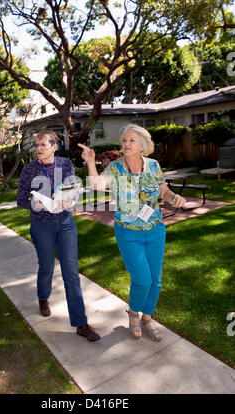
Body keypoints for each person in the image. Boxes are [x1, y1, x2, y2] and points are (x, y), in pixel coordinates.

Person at [78, 124, 186, 341]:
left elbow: (163, 191)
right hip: (128, 233)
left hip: (155, 229)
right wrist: (91, 162)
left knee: (156, 280)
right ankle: (134, 312)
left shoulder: (154, 166)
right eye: (124, 140)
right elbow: (98, 184)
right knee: (142, 279)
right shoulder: (116, 168)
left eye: (131, 140)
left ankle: (147, 316)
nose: (125, 144)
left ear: (143, 145)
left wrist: (173, 198)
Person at [17, 129, 100, 342]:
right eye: (36, 145)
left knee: (71, 273)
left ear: (54, 146)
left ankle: (81, 323)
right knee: (46, 266)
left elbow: (71, 188)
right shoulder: (29, 169)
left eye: (43, 145)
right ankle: (43, 298)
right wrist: (36, 204)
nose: (39, 149)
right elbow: (20, 200)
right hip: (41, 225)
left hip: (65, 224)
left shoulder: (64, 164)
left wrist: (70, 201)